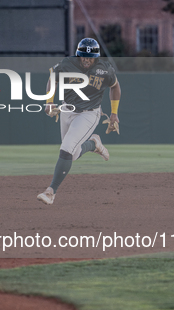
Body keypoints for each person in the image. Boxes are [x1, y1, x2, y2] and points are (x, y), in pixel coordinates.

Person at [37, 38, 121, 205]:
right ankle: (93, 144)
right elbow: (52, 79)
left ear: (96, 57)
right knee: (72, 154)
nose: (86, 60)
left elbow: (115, 86)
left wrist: (114, 113)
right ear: (78, 55)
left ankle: (50, 192)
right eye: (83, 57)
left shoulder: (104, 69)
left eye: (90, 58)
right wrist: (49, 102)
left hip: (89, 114)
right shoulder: (67, 64)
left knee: (66, 149)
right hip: (67, 111)